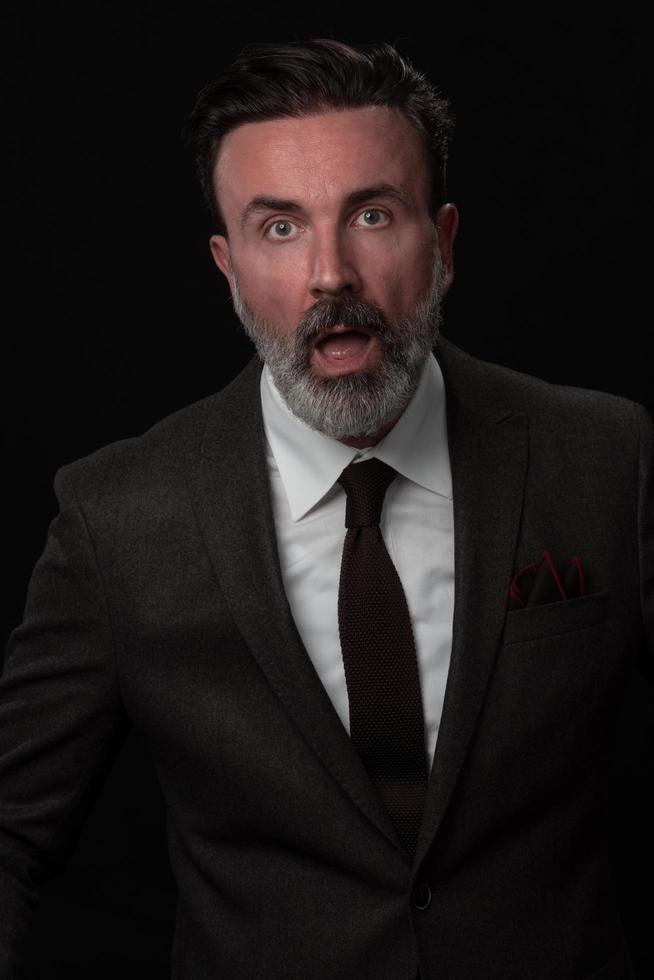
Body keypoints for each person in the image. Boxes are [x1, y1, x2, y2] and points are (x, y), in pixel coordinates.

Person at [0, 37, 651, 980]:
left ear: (446, 243)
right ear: (226, 266)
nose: (330, 276)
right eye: (279, 228)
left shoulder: (604, 457)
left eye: (374, 214)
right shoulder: (118, 518)